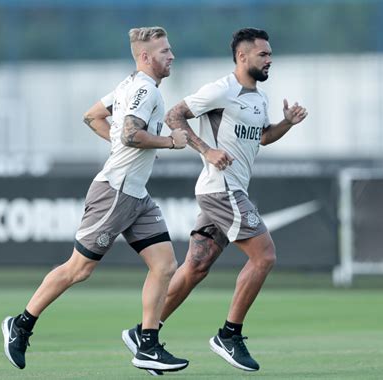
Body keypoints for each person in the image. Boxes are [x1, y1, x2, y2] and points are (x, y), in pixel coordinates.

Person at [2, 26, 190, 374]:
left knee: (164, 265)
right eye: (164, 51)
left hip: (136, 194)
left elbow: (92, 116)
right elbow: (131, 134)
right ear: (146, 57)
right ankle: (21, 324)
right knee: (79, 269)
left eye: (170, 49)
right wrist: (169, 142)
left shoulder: (129, 85)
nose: (171, 55)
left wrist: (124, 145)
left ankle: (146, 343)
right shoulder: (144, 89)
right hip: (115, 192)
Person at [122, 27, 308, 374]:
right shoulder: (222, 89)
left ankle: (144, 333)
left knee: (196, 267)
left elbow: (264, 138)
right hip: (222, 190)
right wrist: (207, 150)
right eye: (263, 54)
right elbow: (173, 115)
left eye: (270, 54)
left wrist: (287, 123)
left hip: (228, 190)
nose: (270, 60)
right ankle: (229, 335)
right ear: (242, 57)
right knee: (264, 256)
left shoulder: (258, 98)